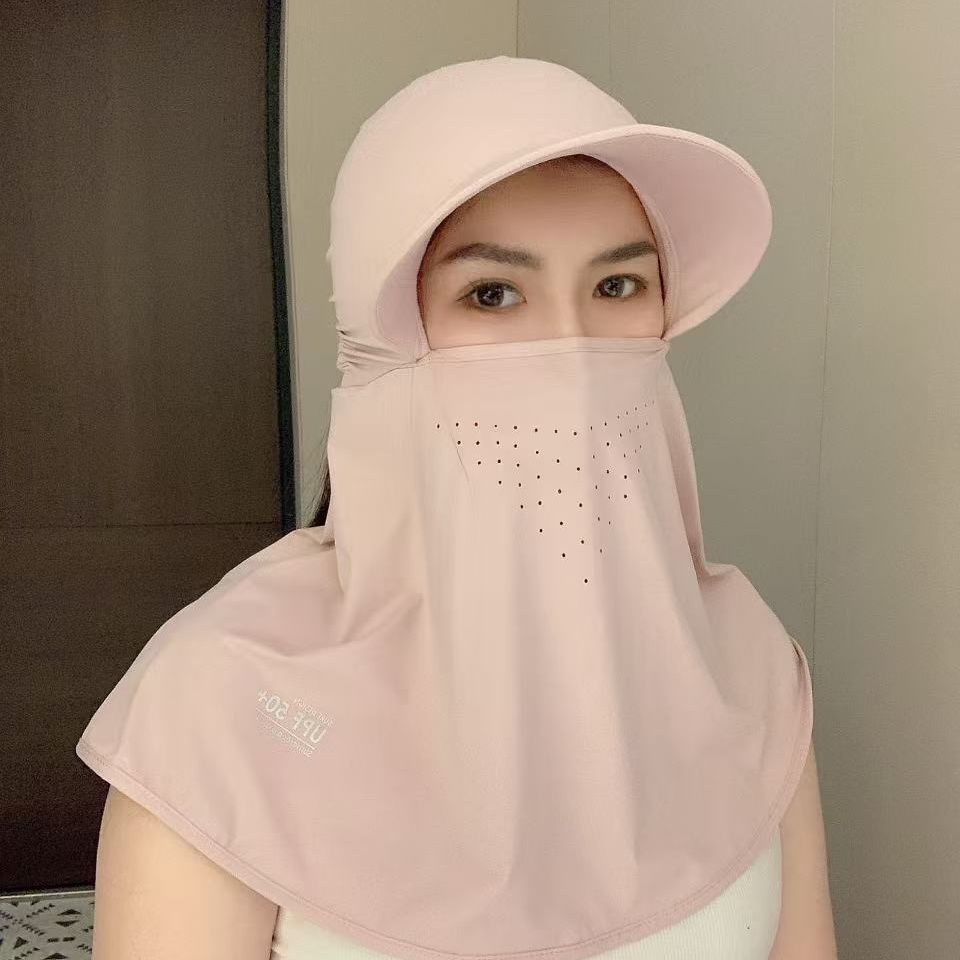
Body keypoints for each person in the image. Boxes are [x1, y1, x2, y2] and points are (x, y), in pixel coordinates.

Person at [80, 56, 835, 960]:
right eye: (492, 294)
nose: (571, 351)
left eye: (617, 287)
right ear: (382, 341)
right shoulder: (221, 702)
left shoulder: (747, 661)